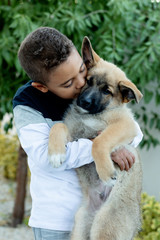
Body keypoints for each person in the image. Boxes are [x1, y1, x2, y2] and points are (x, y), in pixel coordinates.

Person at [13, 27, 143, 240]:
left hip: (107, 214)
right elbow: (46, 158)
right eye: (68, 82)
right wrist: (101, 148)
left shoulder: (92, 85)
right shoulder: (27, 103)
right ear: (42, 86)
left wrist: (108, 144)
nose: (82, 85)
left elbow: (134, 132)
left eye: (83, 71)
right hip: (56, 222)